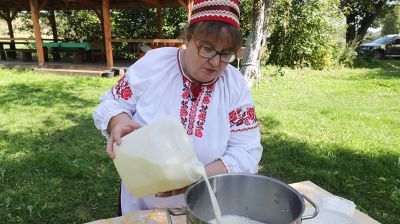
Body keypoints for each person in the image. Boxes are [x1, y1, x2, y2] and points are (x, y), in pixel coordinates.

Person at [92, 0, 263, 215]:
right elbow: (113, 102)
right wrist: (118, 120)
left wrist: (197, 178)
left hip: (204, 197)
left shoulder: (234, 84)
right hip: (144, 199)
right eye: (207, 48)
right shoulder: (155, 64)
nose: (215, 62)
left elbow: (247, 149)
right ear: (188, 38)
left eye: (226, 53)